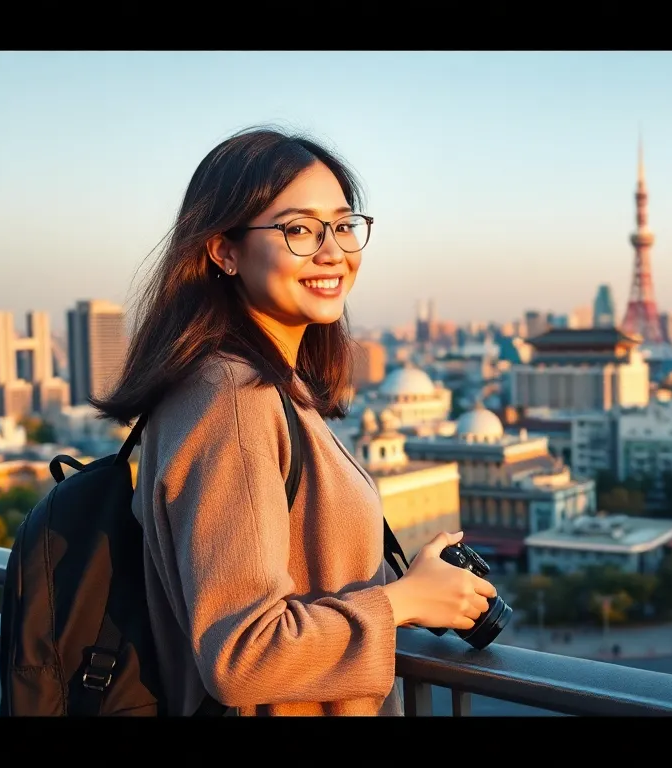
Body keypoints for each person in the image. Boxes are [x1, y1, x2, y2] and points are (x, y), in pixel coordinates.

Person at [93, 126, 497, 716]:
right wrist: (402, 603)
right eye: (299, 230)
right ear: (222, 249)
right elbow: (244, 656)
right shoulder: (232, 395)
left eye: (341, 224)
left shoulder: (263, 385)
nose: (332, 250)